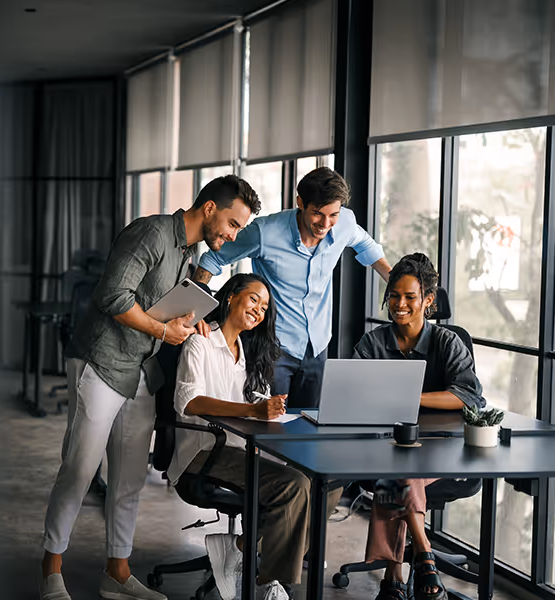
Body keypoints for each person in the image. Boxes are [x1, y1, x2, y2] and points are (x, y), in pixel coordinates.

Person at [39, 176, 261, 600]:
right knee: (81, 468)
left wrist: (188, 320)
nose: (234, 236)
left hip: (141, 370)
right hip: (101, 362)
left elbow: (166, 304)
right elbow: (113, 296)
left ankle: (117, 574)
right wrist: (164, 328)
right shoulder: (152, 232)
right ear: (210, 208)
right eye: (233, 224)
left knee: (129, 479)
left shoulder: (189, 252)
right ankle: (50, 569)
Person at [168, 273, 342, 600]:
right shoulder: (200, 342)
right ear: (231, 296)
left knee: (327, 480)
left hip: (245, 447)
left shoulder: (246, 352)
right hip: (205, 451)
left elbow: (254, 405)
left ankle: (241, 547)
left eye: (264, 307)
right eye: (254, 299)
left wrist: (270, 411)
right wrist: (251, 412)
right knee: (294, 486)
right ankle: (268, 582)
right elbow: (188, 402)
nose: (259, 310)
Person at [193, 167, 392, 408]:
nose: (326, 224)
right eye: (318, 213)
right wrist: (197, 309)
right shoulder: (265, 232)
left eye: (333, 215)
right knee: (269, 428)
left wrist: (394, 282)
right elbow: (212, 259)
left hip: (317, 347)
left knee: (309, 428)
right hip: (272, 348)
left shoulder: (345, 223)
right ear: (300, 202)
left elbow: (366, 246)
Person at [352, 253, 486, 600]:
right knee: (399, 471)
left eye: (410, 297)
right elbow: (352, 390)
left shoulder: (447, 342)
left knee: (396, 478)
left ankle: (393, 578)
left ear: (428, 300)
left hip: (441, 453)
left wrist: (411, 396)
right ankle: (424, 555)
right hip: (383, 449)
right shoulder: (373, 343)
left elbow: (469, 395)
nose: (399, 304)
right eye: (394, 295)